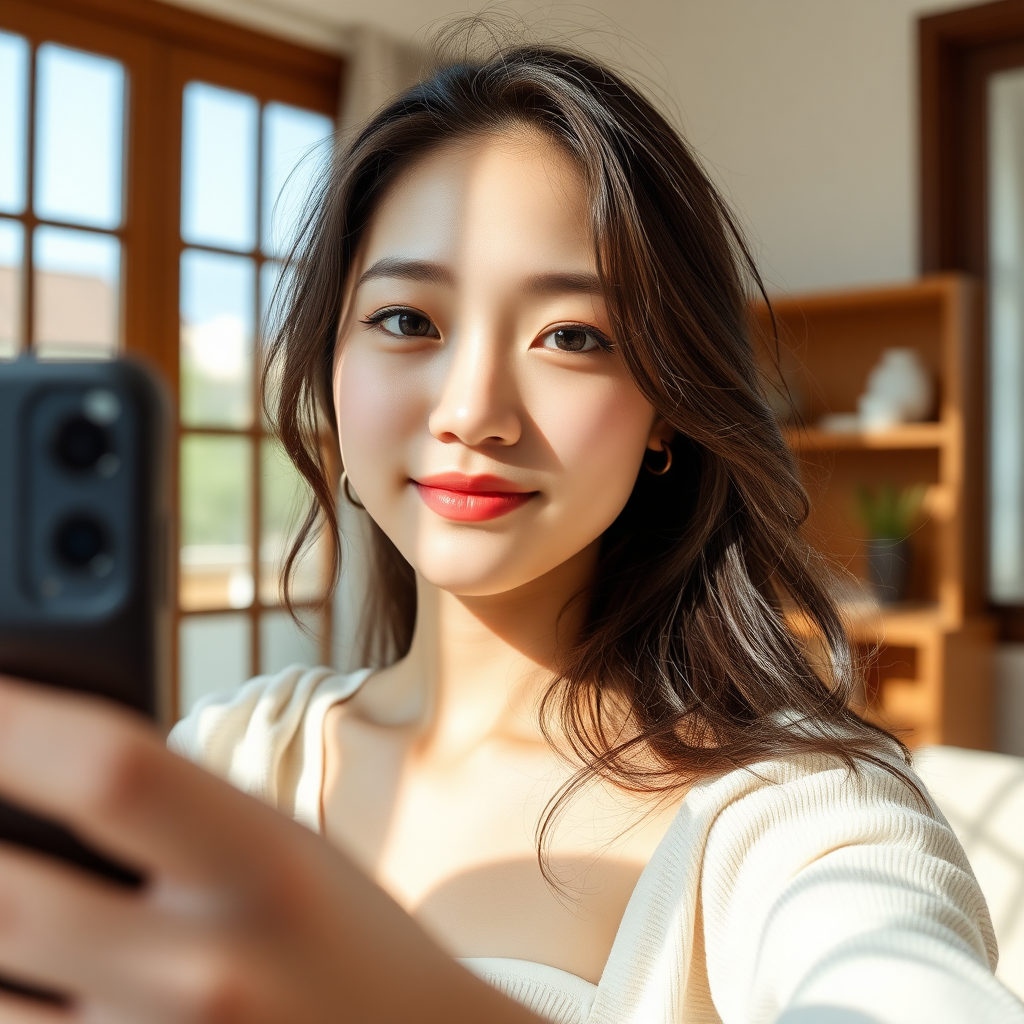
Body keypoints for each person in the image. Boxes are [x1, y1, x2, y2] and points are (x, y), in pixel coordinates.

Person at [0, 39, 1020, 1024]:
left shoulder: (805, 815)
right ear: (329, 363)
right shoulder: (230, 755)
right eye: (408, 321)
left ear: (667, 404)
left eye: (571, 336)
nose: (471, 410)